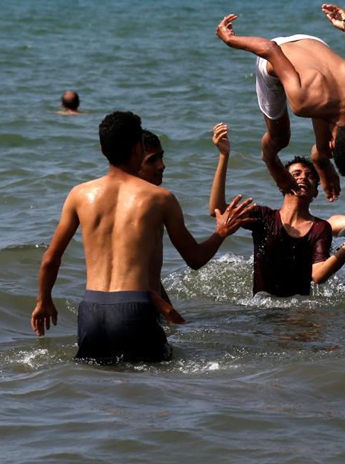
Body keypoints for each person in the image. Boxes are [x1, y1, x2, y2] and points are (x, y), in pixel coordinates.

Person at [30, 111, 255, 363]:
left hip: (91, 311)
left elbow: (50, 259)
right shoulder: (160, 198)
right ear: (138, 148)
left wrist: (43, 301)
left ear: (102, 150)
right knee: (158, 376)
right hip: (134, 309)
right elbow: (195, 258)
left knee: (97, 380)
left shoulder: (79, 194)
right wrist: (221, 231)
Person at [216, 4, 345, 202]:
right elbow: (271, 49)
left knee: (323, 110)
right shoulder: (303, 102)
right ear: (332, 144)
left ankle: (320, 159)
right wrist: (230, 39)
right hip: (276, 57)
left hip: (314, 43)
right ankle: (270, 159)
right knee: (280, 138)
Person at [209, 122, 345, 297]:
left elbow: (318, 275)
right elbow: (217, 210)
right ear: (282, 183)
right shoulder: (263, 218)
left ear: (315, 192)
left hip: (298, 310)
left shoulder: (320, 228)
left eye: (309, 176)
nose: (303, 178)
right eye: (296, 174)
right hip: (260, 307)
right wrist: (224, 155)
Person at [137, 130, 185, 325]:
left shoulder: (152, 202)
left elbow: (149, 274)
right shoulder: (153, 202)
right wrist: (222, 231)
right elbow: (126, 277)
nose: (162, 165)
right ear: (133, 161)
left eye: (161, 157)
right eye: (152, 160)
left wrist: (168, 310)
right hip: (136, 309)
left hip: (146, 305)